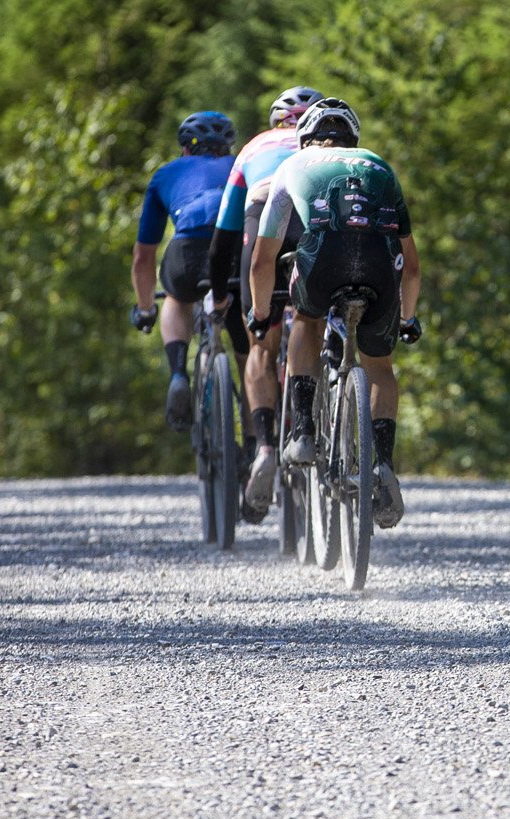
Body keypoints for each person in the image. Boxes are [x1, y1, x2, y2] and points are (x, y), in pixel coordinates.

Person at [247, 98, 423, 529]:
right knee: (380, 367)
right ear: (353, 139)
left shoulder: (292, 165)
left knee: (306, 320)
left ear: (305, 138)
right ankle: (383, 464)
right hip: (380, 265)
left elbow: (262, 259)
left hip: (323, 258)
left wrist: (260, 312)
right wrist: (407, 319)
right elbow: (413, 266)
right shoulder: (379, 165)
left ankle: (304, 432)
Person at [207, 86, 322, 521]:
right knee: (314, 318)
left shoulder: (253, 148)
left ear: (277, 121)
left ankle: (266, 447)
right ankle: (322, 398)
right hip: (315, 222)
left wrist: (222, 293)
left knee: (260, 344)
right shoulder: (330, 149)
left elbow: (224, 234)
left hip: (264, 220)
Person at [129, 111, 242, 432]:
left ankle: (178, 372)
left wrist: (146, 309)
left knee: (176, 296)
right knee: (251, 354)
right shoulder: (242, 164)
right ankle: (254, 439)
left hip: (186, 251)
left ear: (185, 148)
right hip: (234, 248)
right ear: (228, 146)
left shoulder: (166, 174)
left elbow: (143, 256)